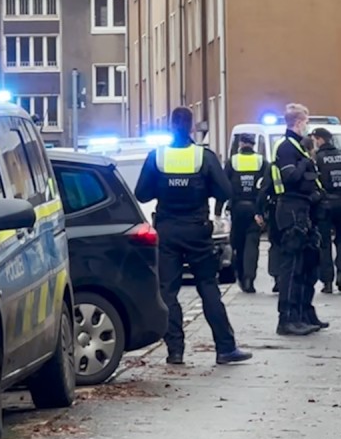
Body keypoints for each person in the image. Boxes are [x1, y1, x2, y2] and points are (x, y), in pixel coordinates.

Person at [134, 107, 253, 365]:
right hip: (197, 229)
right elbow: (225, 191)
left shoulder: (158, 157)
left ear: (169, 126)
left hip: (167, 229)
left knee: (168, 291)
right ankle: (225, 348)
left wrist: (163, 187)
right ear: (192, 128)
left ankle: (174, 351)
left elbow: (141, 194)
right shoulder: (204, 157)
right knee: (208, 286)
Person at [271, 103, 323, 336]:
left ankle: (303, 313)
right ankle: (287, 318)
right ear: (298, 122)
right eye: (306, 121)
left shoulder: (297, 147)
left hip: (303, 210)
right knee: (291, 266)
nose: (308, 126)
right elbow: (290, 176)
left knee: (306, 265)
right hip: (291, 210)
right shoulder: (286, 148)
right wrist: (305, 162)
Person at [311, 127, 341, 294]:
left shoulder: (317, 158)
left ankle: (327, 281)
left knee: (325, 244)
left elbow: (313, 181)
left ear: (320, 139)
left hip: (324, 205)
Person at [223, 135, 269, 293]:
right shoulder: (261, 162)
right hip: (255, 208)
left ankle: (241, 276)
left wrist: (218, 211)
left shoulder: (232, 162)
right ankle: (250, 279)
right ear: (253, 145)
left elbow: (224, 186)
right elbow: (266, 185)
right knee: (252, 244)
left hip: (237, 208)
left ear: (241, 144)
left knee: (239, 244)